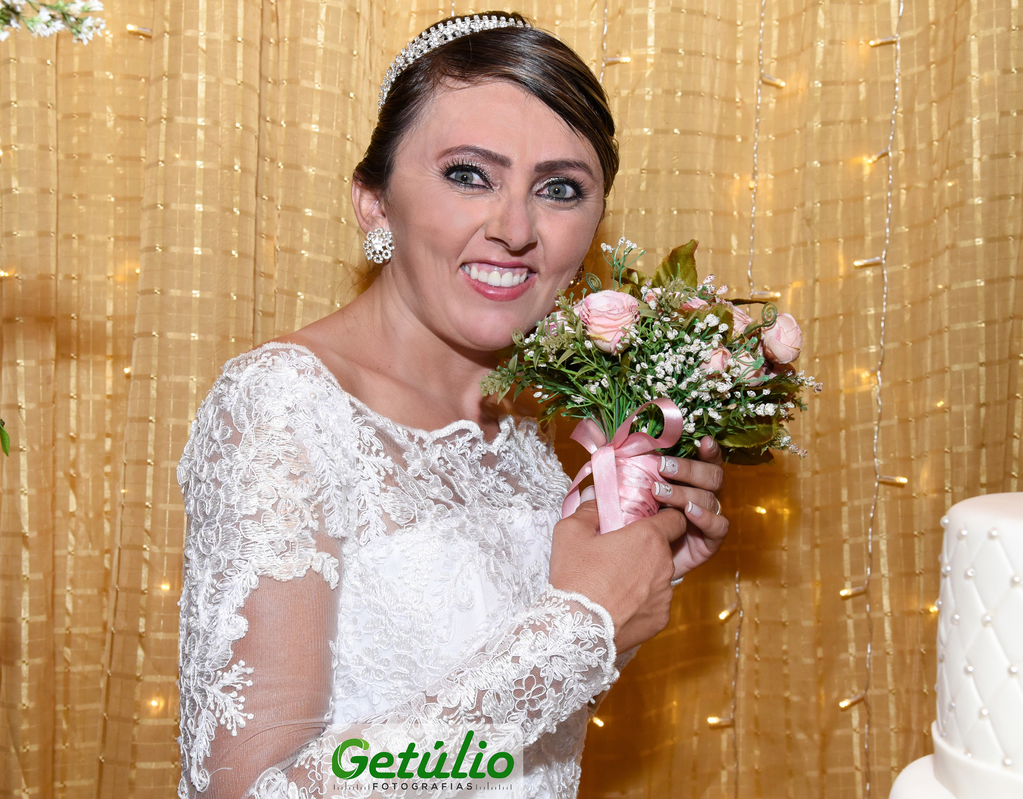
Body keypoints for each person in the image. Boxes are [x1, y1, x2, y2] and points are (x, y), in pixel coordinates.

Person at [176, 12, 729, 799]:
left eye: (560, 189)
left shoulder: (527, 433)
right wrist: (579, 631)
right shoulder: (286, 405)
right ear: (374, 201)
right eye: (469, 174)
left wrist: (628, 591)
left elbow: (500, 741)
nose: (516, 228)